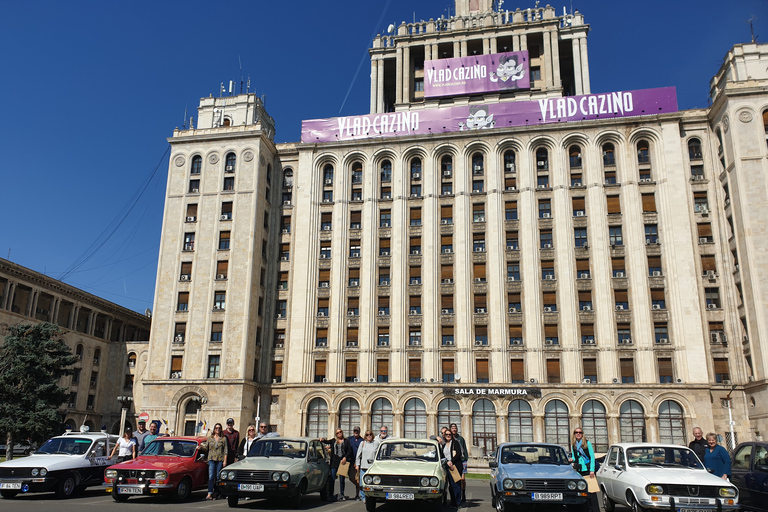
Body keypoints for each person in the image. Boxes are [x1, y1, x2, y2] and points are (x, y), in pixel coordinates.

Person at [321, 428, 354, 501]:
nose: (339, 433)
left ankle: (342, 494)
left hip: (342, 461)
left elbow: (349, 451)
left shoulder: (346, 441)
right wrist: (322, 439)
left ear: (342, 432)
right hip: (334, 461)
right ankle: (330, 494)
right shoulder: (334, 440)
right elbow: (327, 441)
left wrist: (345, 457)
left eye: (340, 432)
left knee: (342, 479)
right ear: (336, 434)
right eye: (337, 433)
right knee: (332, 478)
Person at [571, 427, 599, 512]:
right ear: (574, 434)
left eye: (580, 432)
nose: (578, 434)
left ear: (582, 434)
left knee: (592, 492)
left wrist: (592, 470)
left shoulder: (587, 443)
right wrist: (571, 460)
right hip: (579, 471)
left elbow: (592, 457)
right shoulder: (574, 445)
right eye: (576, 432)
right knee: (582, 491)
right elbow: (574, 457)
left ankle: (595, 510)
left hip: (588, 470)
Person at [200, 423, 228, 500]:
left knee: (218, 477)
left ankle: (217, 492)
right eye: (216, 428)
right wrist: (200, 448)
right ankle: (209, 493)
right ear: (214, 429)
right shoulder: (210, 438)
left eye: (219, 428)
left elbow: (225, 451)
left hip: (220, 459)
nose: (217, 429)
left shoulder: (223, 439)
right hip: (211, 459)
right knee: (211, 476)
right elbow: (206, 448)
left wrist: (225, 461)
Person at [355, 430, 377, 503]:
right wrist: (357, 464)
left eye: (370, 434)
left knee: (372, 483)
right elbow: (358, 455)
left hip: (372, 467)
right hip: (364, 466)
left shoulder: (376, 443)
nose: (369, 436)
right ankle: (363, 497)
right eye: (367, 435)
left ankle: (371, 497)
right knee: (362, 483)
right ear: (365, 436)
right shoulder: (362, 443)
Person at [442, 430, 463, 507]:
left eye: (449, 434)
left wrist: (451, 462)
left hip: (455, 466)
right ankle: (452, 501)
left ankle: (457, 502)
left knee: (456, 484)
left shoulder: (455, 443)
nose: (448, 436)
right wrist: (447, 462)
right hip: (448, 465)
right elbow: (442, 455)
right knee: (450, 485)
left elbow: (458, 454)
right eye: (446, 434)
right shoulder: (443, 445)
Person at [450, 423, 469, 493]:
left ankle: (463, 493)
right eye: (452, 428)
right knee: (456, 479)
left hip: (462, 460)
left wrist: (465, 458)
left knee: (462, 479)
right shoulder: (449, 439)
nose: (454, 429)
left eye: (455, 428)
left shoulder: (460, 439)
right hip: (454, 461)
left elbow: (464, 449)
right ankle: (457, 494)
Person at [348, 427, 363, 500]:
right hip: (350, 461)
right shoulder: (349, 439)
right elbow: (340, 442)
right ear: (353, 431)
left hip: (358, 462)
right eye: (355, 431)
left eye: (357, 431)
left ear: (359, 431)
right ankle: (360, 487)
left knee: (357, 478)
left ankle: (358, 494)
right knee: (351, 478)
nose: (356, 432)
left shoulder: (362, 440)